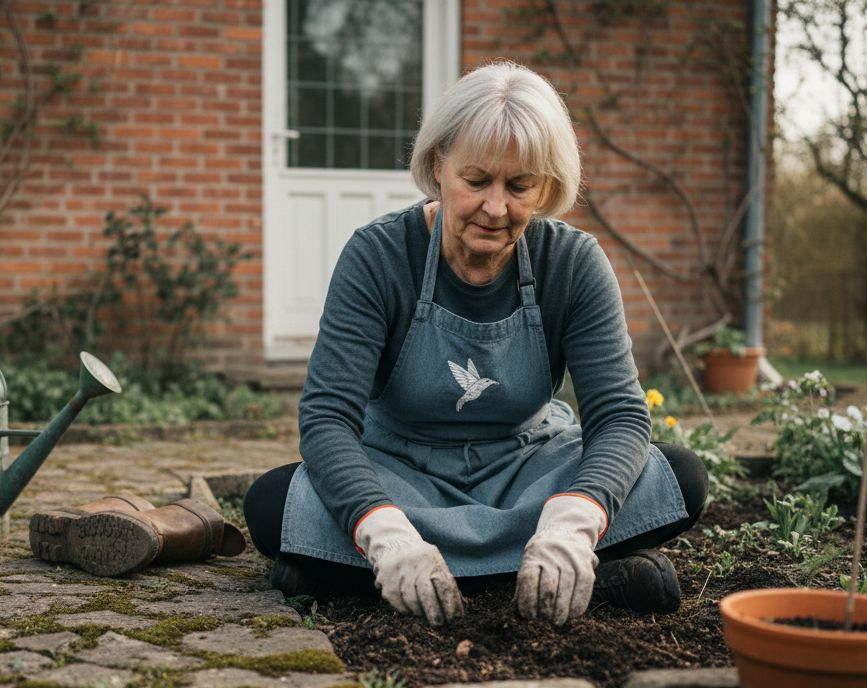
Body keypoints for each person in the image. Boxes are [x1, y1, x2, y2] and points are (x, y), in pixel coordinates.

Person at [243, 61, 707, 627]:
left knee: (679, 476)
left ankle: (360, 577)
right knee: (272, 505)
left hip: (529, 467)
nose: (495, 208)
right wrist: (386, 533)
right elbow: (326, 419)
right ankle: (559, 580)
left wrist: (572, 523)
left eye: (519, 186)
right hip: (398, 470)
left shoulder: (574, 263)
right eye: (476, 180)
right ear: (440, 164)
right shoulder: (378, 256)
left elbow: (621, 416)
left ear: (548, 185)